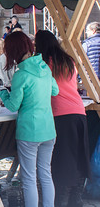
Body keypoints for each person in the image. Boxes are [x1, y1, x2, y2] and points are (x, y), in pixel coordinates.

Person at [0, 31, 59, 207]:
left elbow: (13, 106)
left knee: (29, 178)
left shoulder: (21, 75)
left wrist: (3, 92)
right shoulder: (45, 67)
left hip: (29, 131)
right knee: (46, 174)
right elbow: (55, 91)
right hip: (48, 129)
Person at [35, 30, 91, 207]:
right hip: (79, 112)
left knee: (61, 161)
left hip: (59, 114)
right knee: (78, 157)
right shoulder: (69, 61)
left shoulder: (44, 64)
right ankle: (76, 199)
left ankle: (62, 201)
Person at [82, 21, 100, 159]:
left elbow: (80, 65)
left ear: (93, 31)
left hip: (91, 90)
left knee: (92, 129)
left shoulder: (86, 44)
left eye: (87, 31)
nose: (86, 34)